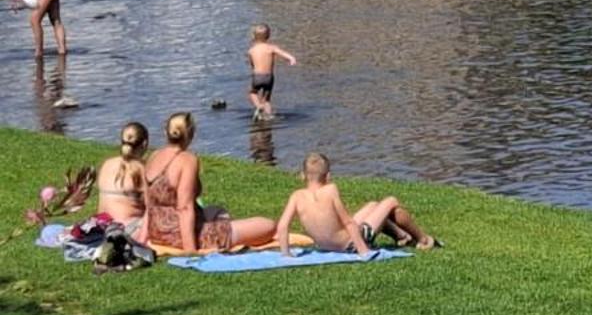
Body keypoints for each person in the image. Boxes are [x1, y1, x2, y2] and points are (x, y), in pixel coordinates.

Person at [143, 111, 277, 254]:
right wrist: (190, 250)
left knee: (218, 211)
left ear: (166, 132)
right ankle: (220, 237)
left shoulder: (154, 156)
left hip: (157, 231)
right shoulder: (186, 160)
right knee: (268, 226)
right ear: (191, 134)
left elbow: (147, 202)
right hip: (179, 235)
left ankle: (223, 231)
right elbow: (185, 208)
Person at [275, 152, 440, 255]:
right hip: (351, 245)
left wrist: (285, 254)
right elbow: (348, 222)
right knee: (391, 201)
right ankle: (423, 240)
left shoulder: (296, 196)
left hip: (327, 245)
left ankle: (402, 236)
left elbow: (282, 226)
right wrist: (363, 250)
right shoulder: (330, 190)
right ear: (328, 176)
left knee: (373, 205)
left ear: (302, 175)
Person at [94, 120, 150, 231]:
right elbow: (152, 208)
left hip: (101, 225)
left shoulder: (107, 164)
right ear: (144, 144)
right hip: (127, 228)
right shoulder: (142, 169)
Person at [246, 24, 298, 120]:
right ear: (268, 35)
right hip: (269, 77)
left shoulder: (251, 50)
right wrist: (291, 58)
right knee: (267, 100)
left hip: (257, 76)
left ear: (253, 36)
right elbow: (283, 53)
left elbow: (252, 64)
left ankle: (258, 106)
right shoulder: (271, 48)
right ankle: (268, 116)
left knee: (252, 93)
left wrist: (254, 71)